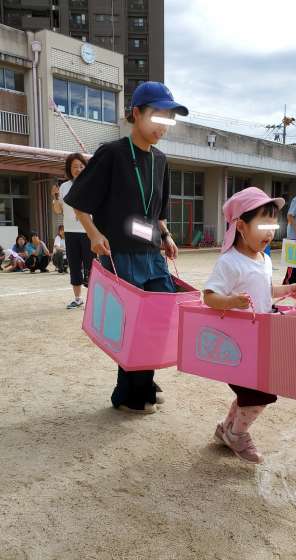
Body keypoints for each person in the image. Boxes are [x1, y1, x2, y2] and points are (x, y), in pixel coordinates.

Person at [64, 81, 189, 414]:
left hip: (152, 254)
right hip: (119, 255)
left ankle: (139, 384)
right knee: (131, 325)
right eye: (157, 117)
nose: (163, 126)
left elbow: (157, 213)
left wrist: (166, 236)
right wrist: (93, 234)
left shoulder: (161, 160)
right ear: (136, 113)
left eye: (169, 120)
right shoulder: (112, 153)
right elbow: (79, 203)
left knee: (157, 318)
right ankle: (132, 392)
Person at [203, 187, 296, 464]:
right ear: (240, 226)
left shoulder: (265, 259)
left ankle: (226, 429)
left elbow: (264, 290)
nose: (270, 233)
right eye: (263, 226)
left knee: (250, 393)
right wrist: (231, 301)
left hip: (261, 341)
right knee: (259, 394)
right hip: (238, 344)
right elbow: (209, 296)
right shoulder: (229, 262)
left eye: (273, 226)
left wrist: (288, 289)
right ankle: (237, 435)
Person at [52, 153, 94, 308]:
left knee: (91, 267)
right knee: (74, 265)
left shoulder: (91, 184)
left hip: (89, 231)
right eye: (75, 166)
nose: (78, 169)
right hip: (70, 232)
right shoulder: (64, 187)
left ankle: (93, 299)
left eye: (81, 166)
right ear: (69, 169)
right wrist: (55, 197)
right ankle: (77, 299)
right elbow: (58, 210)